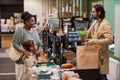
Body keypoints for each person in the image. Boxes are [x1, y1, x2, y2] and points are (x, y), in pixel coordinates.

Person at [85, 4, 113, 80]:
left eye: (93, 12)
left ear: (99, 13)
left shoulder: (105, 24)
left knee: (102, 76)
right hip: (95, 54)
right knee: (95, 75)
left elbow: (110, 40)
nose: (91, 14)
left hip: (102, 56)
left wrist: (93, 41)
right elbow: (88, 34)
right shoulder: (95, 23)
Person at [13, 11, 42, 80]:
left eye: (34, 20)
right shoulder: (20, 31)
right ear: (26, 22)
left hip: (33, 61)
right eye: (32, 21)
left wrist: (39, 50)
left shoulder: (34, 30)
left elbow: (38, 43)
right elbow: (15, 44)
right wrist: (24, 52)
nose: (34, 22)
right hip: (22, 63)